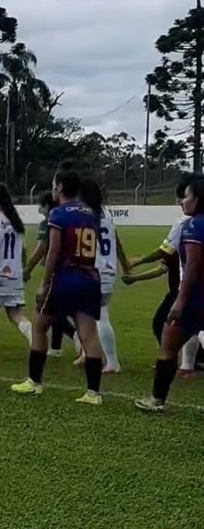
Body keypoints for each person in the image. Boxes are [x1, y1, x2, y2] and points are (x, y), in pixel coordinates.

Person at [11, 169, 105, 404]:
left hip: (66, 278)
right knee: (88, 333)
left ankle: (34, 381)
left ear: (60, 187)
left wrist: (44, 283)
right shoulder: (91, 213)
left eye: (54, 184)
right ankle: (93, 393)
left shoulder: (58, 214)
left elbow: (53, 251)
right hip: (89, 277)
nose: (52, 188)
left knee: (40, 326)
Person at [136, 177, 204, 413]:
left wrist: (181, 300)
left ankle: (157, 400)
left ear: (198, 199)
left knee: (167, 346)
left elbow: (193, 267)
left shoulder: (193, 225)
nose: (183, 201)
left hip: (195, 298)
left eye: (187, 196)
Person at [124, 177, 201, 376]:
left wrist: (138, 261)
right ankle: (186, 365)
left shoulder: (188, 225)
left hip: (188, 290)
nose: (181, 202)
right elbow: (164, 265)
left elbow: (166, 252)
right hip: (187, 289)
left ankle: (166, 380)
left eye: (184, 197)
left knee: (171, 327)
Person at [73, 180, 129, 373]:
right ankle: (87, 352)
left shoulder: (84, 216)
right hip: (109, 269)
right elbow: (117, 241)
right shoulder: (106, 215)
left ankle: (112, 362)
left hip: (93, 270)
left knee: (99, 315)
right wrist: (125, 265)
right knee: (86, 312)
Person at [24, 191, 78, 357]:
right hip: (73, 269)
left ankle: (75, 334)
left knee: (49, 309)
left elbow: (42, 248)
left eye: (41, 205)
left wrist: (28, 268)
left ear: (47, 206)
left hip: (57, 271)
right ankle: (56, 348)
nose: (39, 209)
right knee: (57, 308)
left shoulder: (48, 222)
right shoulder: (68, 219)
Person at [0, 183, 33, 359]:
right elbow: (24, 250)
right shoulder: (15, 220)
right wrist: (25, 270)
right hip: (15, 274)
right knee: (16, 314)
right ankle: (34, 341)